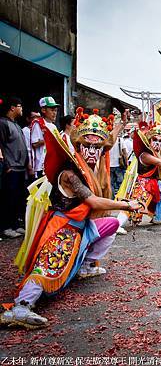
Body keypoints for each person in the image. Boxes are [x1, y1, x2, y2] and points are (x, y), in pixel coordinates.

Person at [0, 109, 143, 328]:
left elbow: (109, 144)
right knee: (47, 268)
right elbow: (93, 202)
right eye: (88, 146)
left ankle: (85, 266)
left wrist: (120, 124)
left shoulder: (86, 167)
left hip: (81, 226)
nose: (94, 151)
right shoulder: (70, 174)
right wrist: (126, 204)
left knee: (112, 224)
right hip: (63, 228)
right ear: (78, 146)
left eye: (98, 147)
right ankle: (21, 307)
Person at [126, 121, 161, 225]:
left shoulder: (158, 153)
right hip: (142, 184)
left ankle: (158, 217)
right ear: (148, 141)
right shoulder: (145, 154)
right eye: (154, 140)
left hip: (154, 182)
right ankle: (121, 222)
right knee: (135, 206)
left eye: (160, 141)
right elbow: (160, 162)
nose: (157, 143)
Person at [0, 97, 29, 238]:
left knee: (18, 198)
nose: (22, 109)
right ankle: (6, 227)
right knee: (8, 198)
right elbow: (1, 146)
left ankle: (16, 225)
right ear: (12, 108)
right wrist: (6, 165)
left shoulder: (17, 125)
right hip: (11, 167)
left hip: (20, 168)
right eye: (20, 106)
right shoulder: (3, 123)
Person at [30, 97, 60, 178]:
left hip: (52, 165)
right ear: (43, 110)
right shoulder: (38, 123)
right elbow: (35, 144)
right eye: (52, 110)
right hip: (41, 166)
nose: (54, 113)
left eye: (56, 110)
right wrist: (50, 139)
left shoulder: (54, 126)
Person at [108, 132, 128, 197]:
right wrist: (127, 163)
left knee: (110, 184)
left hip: (109, 166)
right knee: (121, 183)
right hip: (119, 165)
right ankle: (121, 197)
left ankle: (112, 198)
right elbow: (125, 152)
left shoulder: (106, 140)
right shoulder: (120, 140)